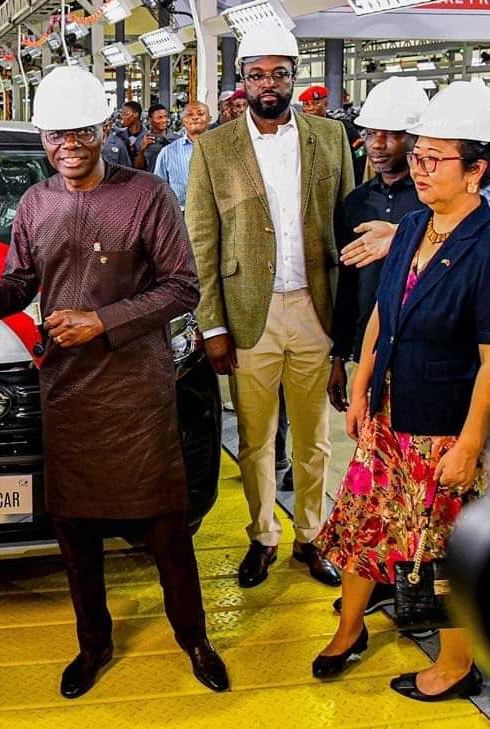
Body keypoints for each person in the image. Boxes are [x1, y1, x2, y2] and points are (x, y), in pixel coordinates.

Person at [0, 66, 229, 699]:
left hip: (136, 387)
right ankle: (94, 642)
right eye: (56, 135)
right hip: (68, 387)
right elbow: (25, 279)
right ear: (43, 139)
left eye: (81, 131)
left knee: (165, 525)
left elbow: (182, 287)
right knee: (75, 526)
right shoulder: (36, 203)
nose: (69, 145)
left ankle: (193, 635)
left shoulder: (146, 197)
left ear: (103, 129)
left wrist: (103, 321)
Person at [313, 79, 490, 702]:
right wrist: (363, 384)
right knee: (365, 525)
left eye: (433, 159)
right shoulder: (416, 223)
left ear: (476, 171)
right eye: (416, 156)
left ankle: (455, 665)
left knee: (439, 551)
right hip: (389, 417)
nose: (417, 168)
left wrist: (470, 443)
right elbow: (381, 313)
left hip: (442, 427)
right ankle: (348, 630)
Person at [185, 26, 353, 589]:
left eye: (279, 73)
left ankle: (310, 536)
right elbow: (202, 243)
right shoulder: (214, 147)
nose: (268, 84)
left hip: (315, 309)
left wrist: (345, 336)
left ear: (294, 78)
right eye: (257, 74)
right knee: (257, 439)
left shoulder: (330, 140)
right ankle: (262, 537)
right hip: (247, 314)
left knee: (314, 439)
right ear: (242, 81)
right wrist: (212, 325)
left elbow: (345, 233)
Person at [328, 77, 429, 425]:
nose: (378, 144)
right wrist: (339, 356)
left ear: (416, 137)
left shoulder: (432, 200)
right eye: (371, 133)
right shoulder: (357, 201)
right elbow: (347, 284)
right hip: (366, 350)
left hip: (424, 352)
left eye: (392, 134)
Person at [300, 85, 366, 188]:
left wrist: (355, 186)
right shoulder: (299, 131)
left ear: (326, 104)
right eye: (306, 105)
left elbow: (360, 156)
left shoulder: (342, 128)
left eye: (316, 103)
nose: (310, 108)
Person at [153, 100, 211, 209]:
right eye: (190, 114)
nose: (195, 117)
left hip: (216, 215)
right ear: (183, 120)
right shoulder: (168, 153)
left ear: (209, 119)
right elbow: (158, 189)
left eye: (200, 114)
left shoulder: (222, 148)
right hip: (181, 214)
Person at [137, 103, 178, 173]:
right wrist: (142, 150)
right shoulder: (143, 139)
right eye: (159, 117)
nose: (164, 120)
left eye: (165, 117)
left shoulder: (178, 140)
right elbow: (138, 168)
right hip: (152, 181)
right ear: (150, 119)